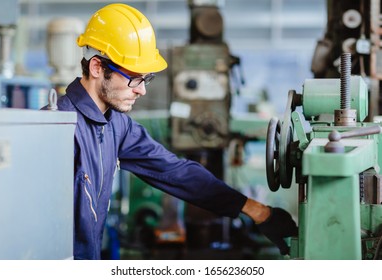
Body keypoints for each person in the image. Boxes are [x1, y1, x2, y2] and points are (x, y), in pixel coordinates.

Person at [47, 3, 297, 260]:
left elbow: (175, 172)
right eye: (134, 79)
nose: (142, 91)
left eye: (146, 79)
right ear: (97, 67)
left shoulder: (115, 125)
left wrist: (258, 211)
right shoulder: (54, 130)